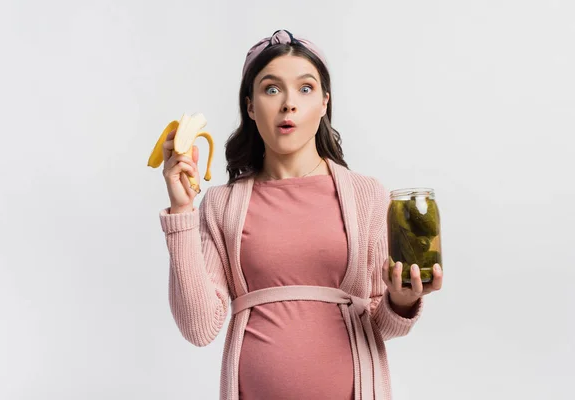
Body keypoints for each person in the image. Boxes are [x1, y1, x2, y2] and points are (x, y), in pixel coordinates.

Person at [158, 29, 443, 400]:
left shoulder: (367, 196)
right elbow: (199, 328)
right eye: (271, 89)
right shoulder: (221, 205)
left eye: (305, 89)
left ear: (325, 102)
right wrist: (182, 213)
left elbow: (382, 324)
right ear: (249, 105)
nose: (288, 103)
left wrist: (401, 301)